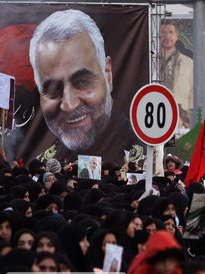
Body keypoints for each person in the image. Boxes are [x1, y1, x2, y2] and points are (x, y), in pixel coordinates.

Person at [28, 9, 141, 164]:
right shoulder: (41, 164)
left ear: (107, 74)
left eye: (82, 82)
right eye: (54, 90)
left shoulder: (142, 155)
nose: (69, 105)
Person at [160, 22, 193, 128]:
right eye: (163, 33)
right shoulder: (151, 62)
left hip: (180, 121)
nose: (167, 36)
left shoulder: (188, 62)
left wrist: (190, 117)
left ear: (177, 36)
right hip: (158, 118)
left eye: (170, 32)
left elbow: (193, 93)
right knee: (162, 145)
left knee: (174, 145)